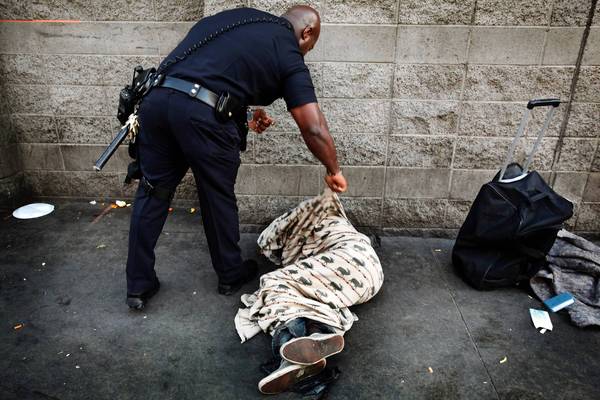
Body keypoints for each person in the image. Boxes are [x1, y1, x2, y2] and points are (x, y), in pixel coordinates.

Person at [125, 5, 347, 310]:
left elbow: (213, 73)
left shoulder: (238, 18)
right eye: (310, 45)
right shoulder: (287, 49)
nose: (307, 51)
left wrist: (242, 118)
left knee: (153, 192)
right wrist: (333, 169)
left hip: (156, 102)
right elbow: (313, 127)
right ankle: (230, 273)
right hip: (198, 117)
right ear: (306, 32)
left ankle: (138, 285)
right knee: (217, 194)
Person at [234, 188, 384, 394]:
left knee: (273, 283)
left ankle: (294, 346)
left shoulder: (305, 223)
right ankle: (312, 340)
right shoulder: (342, 228)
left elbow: (267, 239)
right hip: (372, 275)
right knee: (313, 298)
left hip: (347, 262)